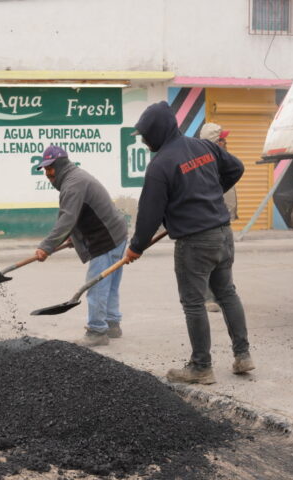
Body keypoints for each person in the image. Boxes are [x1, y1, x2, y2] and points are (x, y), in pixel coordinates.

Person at [125, 102, 255, 383]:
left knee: (194, 303)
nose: (145, 141)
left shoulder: (160, 165)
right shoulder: (202, 147)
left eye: (146, 135)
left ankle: (200, 367)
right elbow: (236, 168)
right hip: (222, 232)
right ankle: (243, 356)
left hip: (194, 241)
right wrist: (211, 194)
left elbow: (150, 214)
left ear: (158, 132)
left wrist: (136, 246)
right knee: (227, 293)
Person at [34, 145, 128, 347]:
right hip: (116, 234)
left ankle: (97, 331)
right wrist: (73, 239)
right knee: (109, 284)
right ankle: (112, 323)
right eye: (45, 170)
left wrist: (46, 246)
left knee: (96, 286)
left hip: (106, 239)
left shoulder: (73, 184)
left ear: (59, 165)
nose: (48, 175)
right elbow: (80, 214)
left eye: (50, 169)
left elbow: (67, 219)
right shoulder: (74, 178)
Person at [198, 122, 238, 313]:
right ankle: (207, 298)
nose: (226, 142)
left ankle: (223, 293)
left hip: (223, 219)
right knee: (208, 259)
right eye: (223, 139)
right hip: (209, 220)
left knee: (225, 258)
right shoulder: (205, 163)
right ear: (215, 142)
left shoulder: (222, 159)